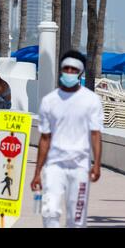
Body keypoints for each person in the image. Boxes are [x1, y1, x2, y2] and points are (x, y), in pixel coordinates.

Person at [30, 50, 103, 228]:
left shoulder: (91, 100)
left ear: (80, 72)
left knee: (77, 217)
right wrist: (37, 172)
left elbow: (95, 134)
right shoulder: (49, 101)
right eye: (66, 68)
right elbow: (45, 139)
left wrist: (97, 164)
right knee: (50, 212)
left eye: (73, 69)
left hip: (80, 166)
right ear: (61, 69)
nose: (69, 72)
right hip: (55, 165)